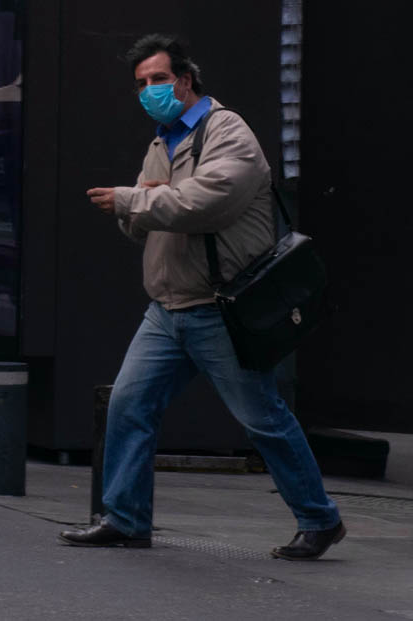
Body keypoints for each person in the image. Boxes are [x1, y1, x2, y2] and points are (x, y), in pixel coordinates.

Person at [62, 34, 344, 560]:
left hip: (220, 307)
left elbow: (206, 201)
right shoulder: (160, 142)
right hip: (167, 307)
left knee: (262, 418)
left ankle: (320, 519)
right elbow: (145, 224)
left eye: (159, 79)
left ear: (186, 80)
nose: (150, 90)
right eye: (142, 83)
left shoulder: (227, 130)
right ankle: (124, 518)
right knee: (128, 405)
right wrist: (135, 208)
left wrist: (131, 199)